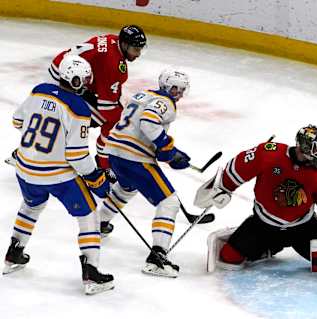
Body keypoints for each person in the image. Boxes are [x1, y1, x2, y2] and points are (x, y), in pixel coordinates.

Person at [3, 55, 113, 295]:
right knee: (89, 213)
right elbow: (76, 156)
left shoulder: (39, 90)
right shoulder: (78, 108)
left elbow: (17, 121)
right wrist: (95, 177)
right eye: (83, 79)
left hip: (24, 170)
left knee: (31, 206)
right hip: (56, 176)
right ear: (74, 80)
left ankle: (13, 253)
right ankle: (91, 272)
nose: (86, 83)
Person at [194, 125, 317, 271]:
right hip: (263, 225)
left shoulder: (315, 171)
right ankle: (270, 246)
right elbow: (240, 166)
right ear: (303, 146)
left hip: (303, 228)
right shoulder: (269, 153)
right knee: (228, 258)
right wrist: (222, 187)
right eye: (315, 149)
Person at [97, 69, 191, 278]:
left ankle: (99, 223)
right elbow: (148, 122)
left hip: (114, 152)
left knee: (126, 188)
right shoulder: (165, 103)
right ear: (166, 86)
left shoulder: (142, 94)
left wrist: (168, 151)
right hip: (134, 158)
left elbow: (137, 127)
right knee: (169, 202)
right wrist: (168, 149)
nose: (179, 93)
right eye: (175, 88)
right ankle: (157, 258)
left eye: (182, 90)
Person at [49, 25, 147, 172]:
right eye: (136, 49)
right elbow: (106, 108)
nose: (138, 54)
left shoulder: (114, 41)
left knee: (60, 118)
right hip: (65, 79)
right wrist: (128, 122)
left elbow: (102, 79)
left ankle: (32, 148)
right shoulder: (113, 64)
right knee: (111, 122)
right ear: (125, 45)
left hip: (65, 72)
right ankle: (105, 166)